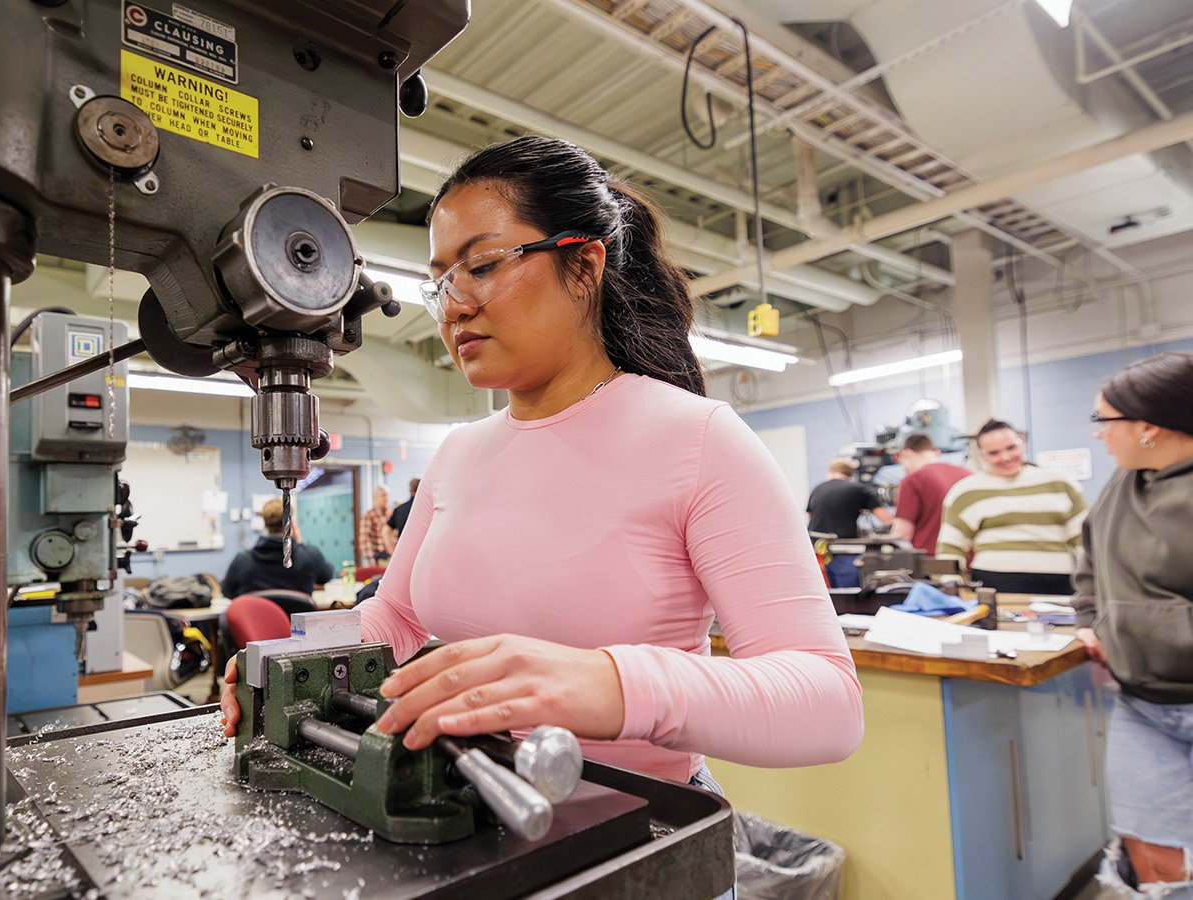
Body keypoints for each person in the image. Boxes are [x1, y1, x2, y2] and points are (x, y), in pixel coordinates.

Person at [221, 136, 862, 802]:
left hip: (636, 829)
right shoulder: (461, 451)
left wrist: (613, 685)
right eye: (441, 281)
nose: (455, 305)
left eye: (484, 265)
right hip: (473, 807)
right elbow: (395, 619)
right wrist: (291, 659)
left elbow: (829, 705)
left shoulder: (697, 438)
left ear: (583, 265)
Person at [1072, 352, 1193, 897]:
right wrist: (1094, 622)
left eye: (1105, 420)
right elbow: (1089, 566)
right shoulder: (1121, 486)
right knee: (1151, 861)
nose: (1099, 434)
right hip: (1144, 706)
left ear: (1148, 425)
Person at [936, 419, 1087, 594]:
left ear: (1022, 443)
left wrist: (1092, 586)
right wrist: (953, 591)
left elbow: (1083, 541)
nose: (1005, 457)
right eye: (994, 453)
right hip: (995, 583)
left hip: (1059, 584)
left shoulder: (1060, 483)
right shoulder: (964, 492)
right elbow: (950, 550)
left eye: (1011, 448)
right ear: (981, 454)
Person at [220, 498, 333, 598]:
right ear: (291, 524)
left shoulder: (242, 561)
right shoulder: (310, 555)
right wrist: (300, 545)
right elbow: (326, 576)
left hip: (258, 622)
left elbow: (227, 592)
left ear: (265, 524)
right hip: (295, 622)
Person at [889, 434, 971, 553]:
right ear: (937, 452)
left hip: (932, 562)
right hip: (969, 559)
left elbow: (901, 535)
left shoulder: (913, 479)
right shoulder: (967, 474)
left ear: (906, 454)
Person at [806, 458, 891, 539]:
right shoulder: (860, 489)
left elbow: (810, 516)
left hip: (816, 545)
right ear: (851, 474)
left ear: (830, 472)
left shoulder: (817, 489)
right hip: (844, 545)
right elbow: (886, 519)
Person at [357, 486, 392, 566]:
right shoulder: (369, 515)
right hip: (378, 559)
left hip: (390, 557)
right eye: (383, 495)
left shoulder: (391, 514)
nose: (386, 498)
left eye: (387, 495)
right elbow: (364, 540)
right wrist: (372, 562)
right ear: (375, 498)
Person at [383, 477, 420, 553]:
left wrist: (392, 552)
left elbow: (385, 531)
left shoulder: (399, 509)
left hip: (404, 553)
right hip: (422, 553)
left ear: (410, 490)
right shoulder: (427, 509)